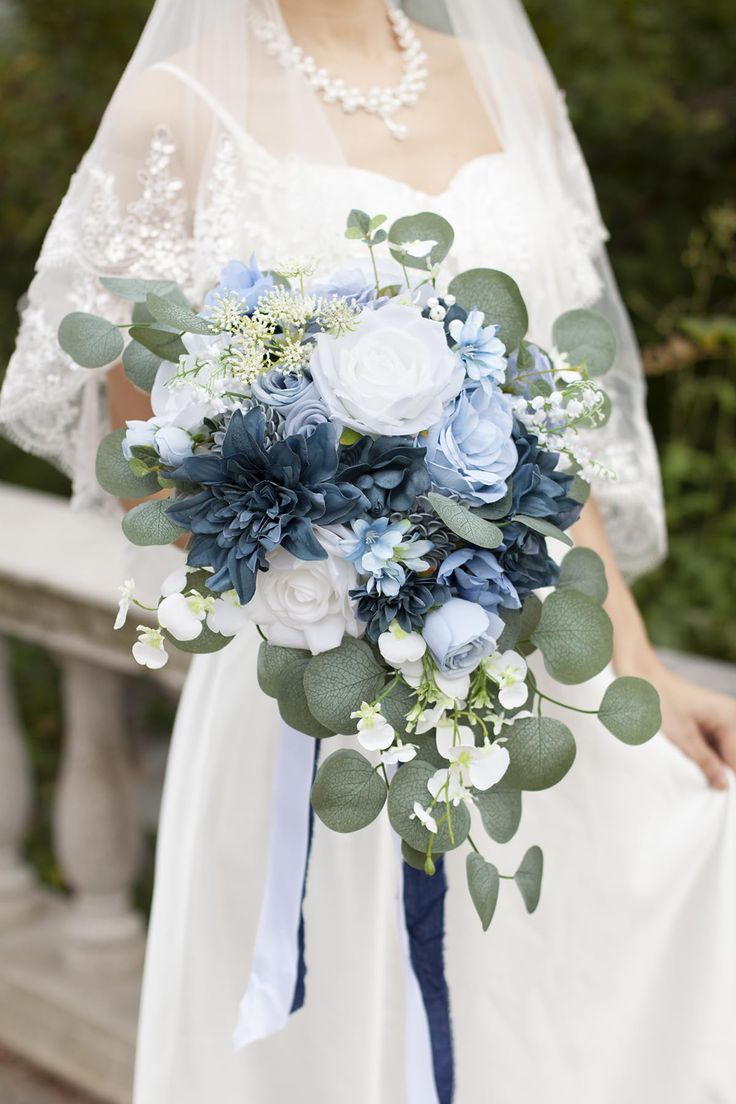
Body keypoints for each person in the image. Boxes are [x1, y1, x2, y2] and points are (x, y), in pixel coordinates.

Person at [2, 2, 735, 1101]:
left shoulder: (513, 90)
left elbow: (555, 439)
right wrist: (325, 506)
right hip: (313, 690)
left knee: (543, 1026)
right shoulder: (178, 106)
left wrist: (636, 663)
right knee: (330, 1041)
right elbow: (144, 450)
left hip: (526, 678)